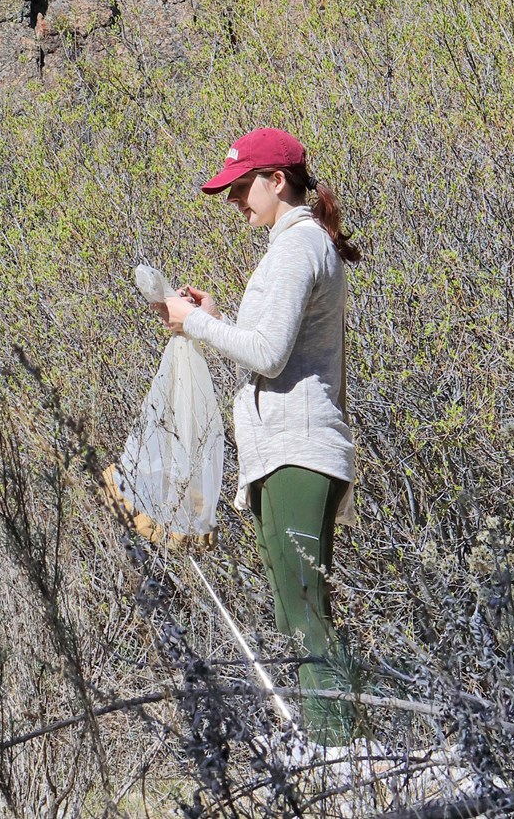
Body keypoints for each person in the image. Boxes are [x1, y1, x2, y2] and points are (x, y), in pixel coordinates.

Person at [151, 127, 359, 748]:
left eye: (243, 186)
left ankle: (338, 750)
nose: (235, 199)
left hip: (298, 449)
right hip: (287, 451)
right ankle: (337, 745)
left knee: (302, 609)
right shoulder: (293, 246)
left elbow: (267, 354)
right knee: (296, 607)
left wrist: (196, 325)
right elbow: (272, 346)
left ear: (276, 182)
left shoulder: (296, 250)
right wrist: (212, 320)